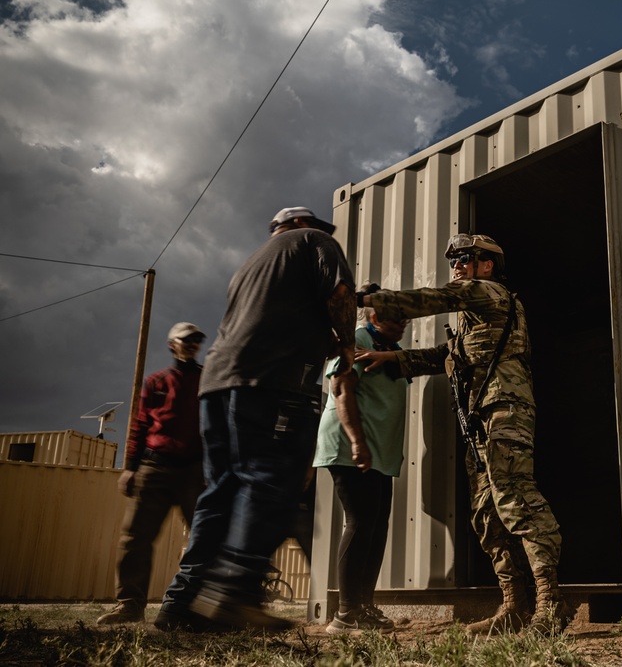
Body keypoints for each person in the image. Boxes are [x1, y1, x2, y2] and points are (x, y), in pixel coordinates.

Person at [154, 206, 356, 633]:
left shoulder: (251, 264)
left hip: (218, 384)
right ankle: (233, 594)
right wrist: (345, 345)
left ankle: (181, 602)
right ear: (302, 225)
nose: (322, 232)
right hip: (273, 382)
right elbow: (339, 294)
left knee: (222, 490)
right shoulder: (315, 242)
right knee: (270, 481)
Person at [357, 234, 569, 636]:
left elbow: (435, 298)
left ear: (487, 265)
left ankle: (550, 603)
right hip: (480, 419)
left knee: (516, 498)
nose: (456, 265)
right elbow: (445, 356)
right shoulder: (472, 319)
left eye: (465, 258)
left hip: (505, 409)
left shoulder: (488, 292)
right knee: (487, 512)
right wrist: (393, 358)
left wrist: (369, 300)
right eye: (453, 259)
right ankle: (514, 607)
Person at [315, 282, 411, 635]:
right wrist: (357, 442)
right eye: (394, 315)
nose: (403, 320)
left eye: (405, 316)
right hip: (351, 446)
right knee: (359, 521)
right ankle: (346, 613)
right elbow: (341, 388)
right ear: (373, 315)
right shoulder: (357, 338)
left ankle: (364, 608)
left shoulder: (392, 348)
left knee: (376, 525)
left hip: (378, 452)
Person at [96, 322, 207, 625]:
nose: (193, 344)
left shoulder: (207, 380)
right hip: (154, 467)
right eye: (186, 340)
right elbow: (140, 424)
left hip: (194, 471)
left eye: (197, 340)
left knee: (205, 539)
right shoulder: (156, 381)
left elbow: (215, 425)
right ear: (173, 345)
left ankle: (193, 607)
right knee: (135, 539)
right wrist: (130, 469)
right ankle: (129, 606)